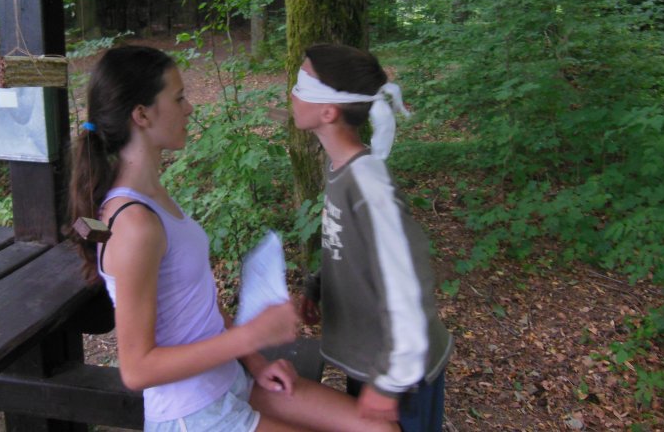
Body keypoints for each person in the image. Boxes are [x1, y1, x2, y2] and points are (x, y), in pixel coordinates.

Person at [68, 45, 398, 432]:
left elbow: (197, 301)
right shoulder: (134, 223)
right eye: (178, 98)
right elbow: (137, 370)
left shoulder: (153, 197)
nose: (189, 108)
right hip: (193, 414)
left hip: (232, 382)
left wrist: (256, 362)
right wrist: (251, 337)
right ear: (141, 115)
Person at [291, 44, 454, 431]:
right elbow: (351, 246)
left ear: (328, 111)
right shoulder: (342, 167)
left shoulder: (369, 183)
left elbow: (408, 281)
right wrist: (317, 287)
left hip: (399, 375)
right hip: (371, 361)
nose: (291, 94)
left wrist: (391, 382)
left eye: (300, 85)